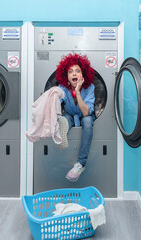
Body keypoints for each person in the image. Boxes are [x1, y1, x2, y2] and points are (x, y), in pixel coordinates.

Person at [56, 53, 95, 182]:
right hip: (70, 114)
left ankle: (80, 164)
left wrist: (78, 91)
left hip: (84, 115)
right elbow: (58, 102)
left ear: (83, 75)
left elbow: (85, 112)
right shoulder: (63, 88)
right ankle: (60, 136)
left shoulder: (90, 88)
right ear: (66, 76)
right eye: (70, 71)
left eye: (77, 71)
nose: (74, 74)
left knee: (88, 121)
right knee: (65, 120)